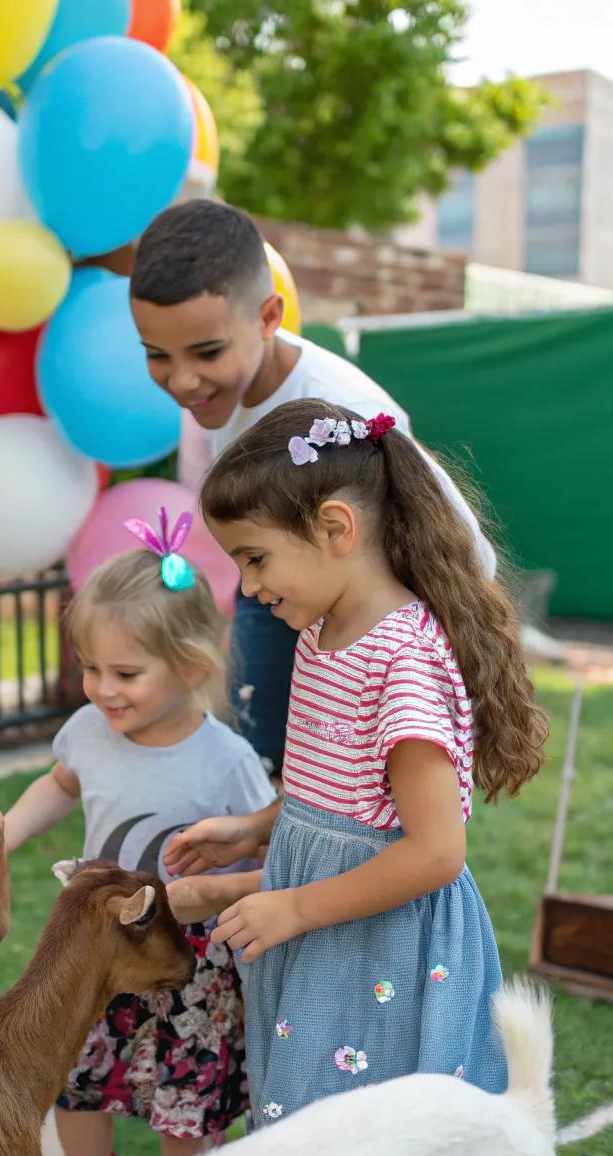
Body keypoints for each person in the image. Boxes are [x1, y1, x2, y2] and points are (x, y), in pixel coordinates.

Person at [163, 396, 547, 1156]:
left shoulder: (409, 663)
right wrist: (258, 831)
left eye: (253, 558)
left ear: (336, 529)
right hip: (329, 952)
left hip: (385, 958)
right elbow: (328, 788)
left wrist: (286, 909)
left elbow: (429, 852)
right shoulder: (324, 633)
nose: (247, 587)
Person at [129, 200, 496, 775]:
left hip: (374, 635)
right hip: (286, 603)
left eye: (207, 352)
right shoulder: (208, 401)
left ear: (269, 315)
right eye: (157, 355)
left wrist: (389, 669)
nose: (181, 380)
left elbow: (466, 553)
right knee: (266, 771)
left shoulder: (347, 408)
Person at [4, 524, 276, 1156]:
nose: (102, 688)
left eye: (125, 672)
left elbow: (265, 846)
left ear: (189, 666)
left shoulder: (226, 760)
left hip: (188, 965)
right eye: (90, 668)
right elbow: (58, 786)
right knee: (74, 1077)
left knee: (184, 1102)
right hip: (94, 952)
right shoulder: (89, 730)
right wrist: (4, 832)